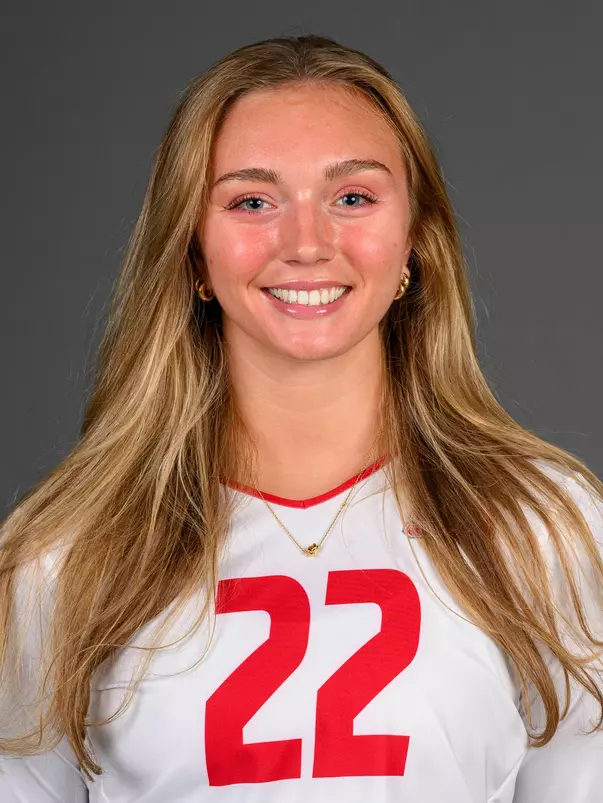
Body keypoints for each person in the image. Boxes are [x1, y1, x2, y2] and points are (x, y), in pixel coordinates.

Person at [1, 33, 602, 803]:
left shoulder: (538, 526)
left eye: (352, 197)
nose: (307, 244)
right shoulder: (66, 552)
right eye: (252, 201)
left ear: (414, 239)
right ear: (192, 253)